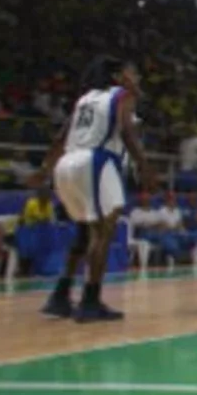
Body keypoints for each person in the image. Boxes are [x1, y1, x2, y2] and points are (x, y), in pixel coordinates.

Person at [38, 56, 153, 321]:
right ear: (117, 77)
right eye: (132, 72)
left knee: (82, 236)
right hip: (96, 162)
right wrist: (144, 166)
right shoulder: (121, 96)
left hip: (68, 163)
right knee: (102, 234)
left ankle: (60, 295)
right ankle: (90, 301)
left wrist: (45, 170)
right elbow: (126, 133)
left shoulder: (85, 98)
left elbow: (60, 137)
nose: (137, 78)